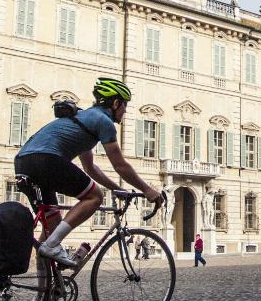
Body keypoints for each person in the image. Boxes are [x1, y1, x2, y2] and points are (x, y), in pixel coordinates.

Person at [14, 77, 165, 267]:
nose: (125, 111)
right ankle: (52, 245)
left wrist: (117, 188)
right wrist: (148, 190)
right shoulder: (103, 122)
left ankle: (45, 294)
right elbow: (120, 165)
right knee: (94, 196)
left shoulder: (84, 121)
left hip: (23, 162)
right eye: (124, 106)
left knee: (51, 230)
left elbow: (90, 168)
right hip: (46, 160)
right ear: (116, 103)